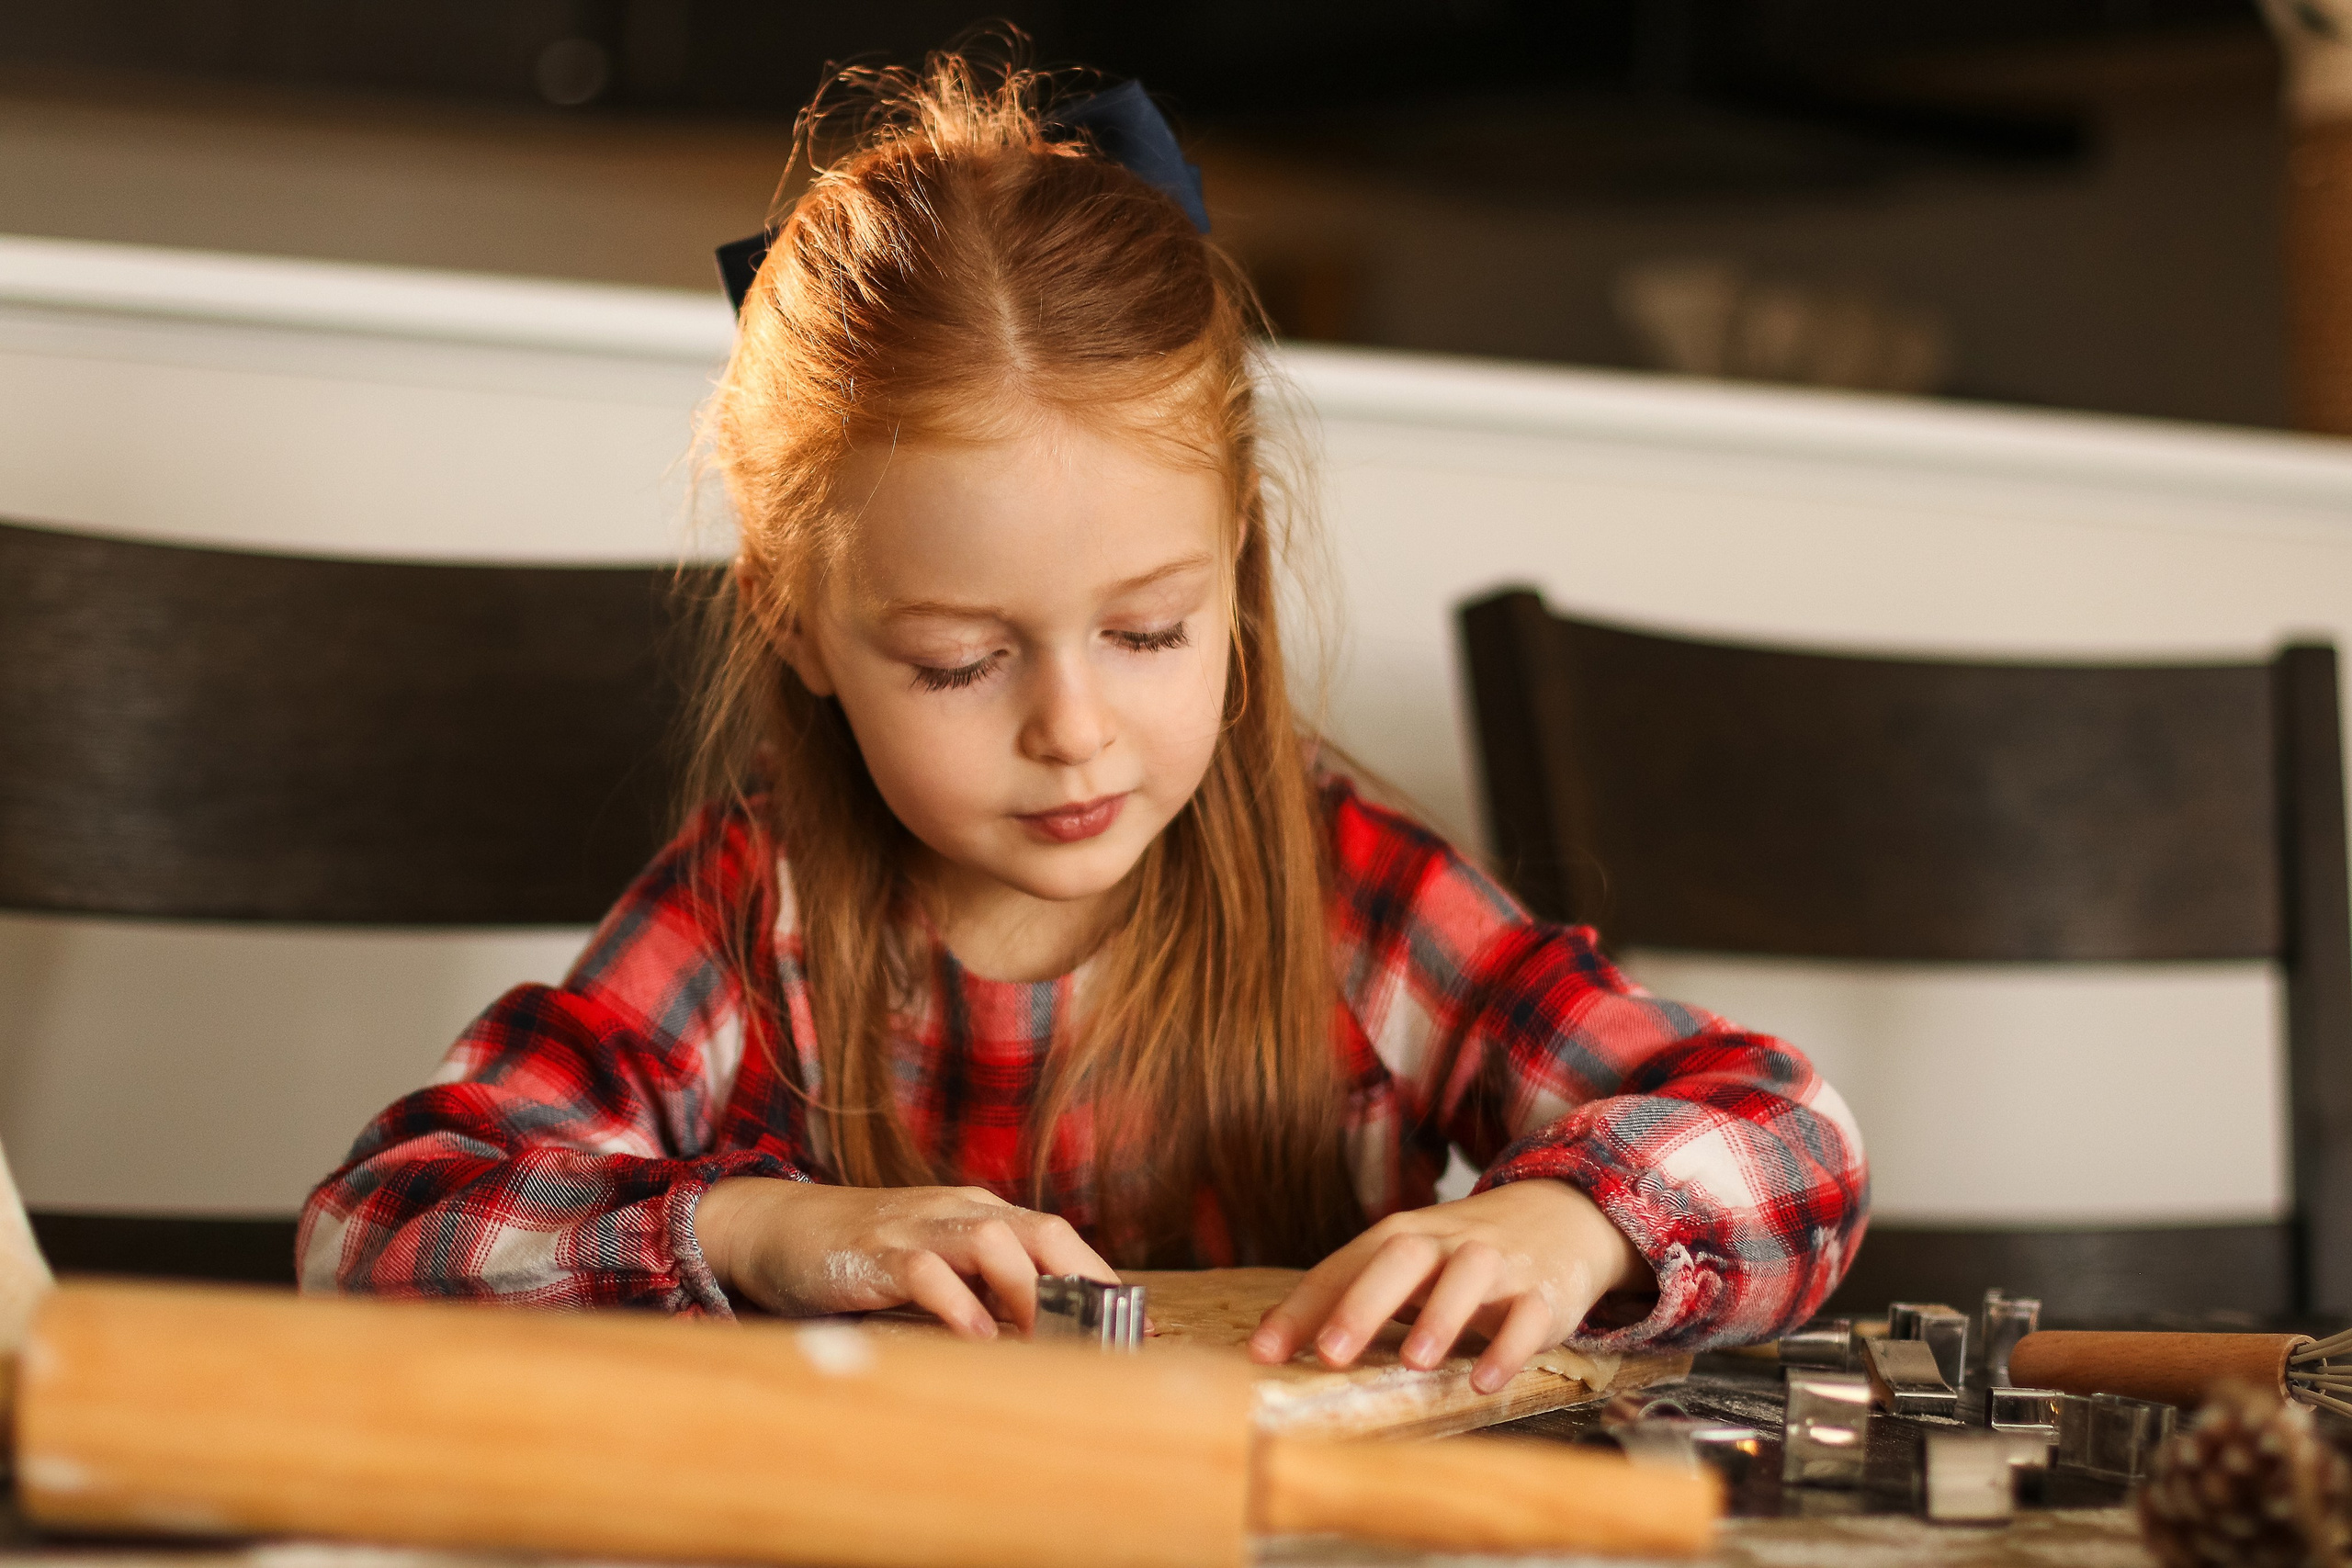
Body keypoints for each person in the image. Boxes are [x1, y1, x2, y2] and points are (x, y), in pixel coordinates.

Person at [299, 50, 1868, 1393]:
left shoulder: (1350, 895)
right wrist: (761, 1227)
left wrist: (1569, 1217)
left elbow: (1791, 1131)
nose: (1074, 729)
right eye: (960, 662)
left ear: (1235, 572)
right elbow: (375, 1227)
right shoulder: (749, 916)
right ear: (798, 620)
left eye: (1146, 630)